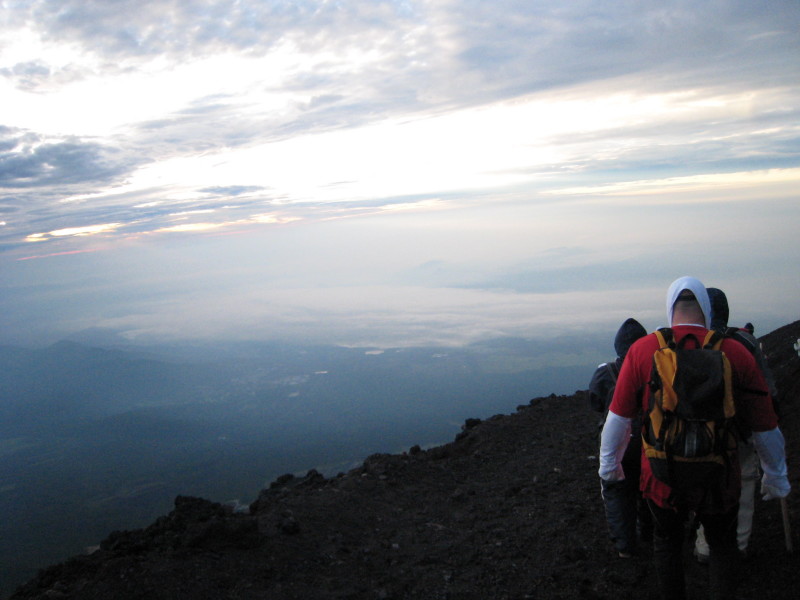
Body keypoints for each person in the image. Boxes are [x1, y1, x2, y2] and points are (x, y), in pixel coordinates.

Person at [598, 276, 790, 600]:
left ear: (670, 308)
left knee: (667, 543)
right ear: (705, 308)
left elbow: (618, 420)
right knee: (721, 545)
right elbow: (764, 426)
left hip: (661, 477)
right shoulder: (736, 352)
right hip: (719, 476)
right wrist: (776, 477)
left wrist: (609, 467)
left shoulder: (643, 351)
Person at [694, 288, 778, 563]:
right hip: (739, 430)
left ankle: (704, 545)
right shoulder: (744, 342)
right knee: (743, 480)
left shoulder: (688, 344)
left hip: (698, 431)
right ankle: (737, 545)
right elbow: (767, 392)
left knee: (702, 483)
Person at [588, 318, 649, 558]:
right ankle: (649, 532)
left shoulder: (606, 373)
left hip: (618, 442)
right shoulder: (658, 366)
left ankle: (625, 545)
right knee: (646, 488)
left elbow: (596, 402)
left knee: (616, 490)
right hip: (648, 440)